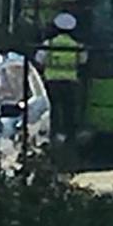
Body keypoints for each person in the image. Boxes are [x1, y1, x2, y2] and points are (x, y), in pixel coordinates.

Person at [35, 11, 87, 145]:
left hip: (51, 81)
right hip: (70, 82)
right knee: (68, 109)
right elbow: (83, 61)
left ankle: (53, 133)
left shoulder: (49, 43)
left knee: (52, 109)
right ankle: (70, 135)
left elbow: (39, 60)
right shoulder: (77, 46)